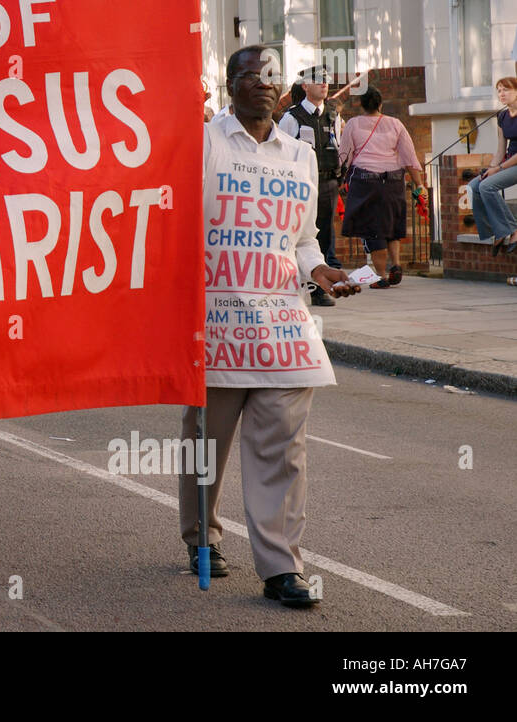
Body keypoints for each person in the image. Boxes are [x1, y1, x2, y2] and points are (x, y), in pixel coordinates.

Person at [181, 44, 358, 607]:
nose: (261, 83)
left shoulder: (300, 156)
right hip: (215, 324)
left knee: (284, 449)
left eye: (270, 76)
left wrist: (323, 270)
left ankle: (282, 568)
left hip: (283, 324)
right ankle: (203, 537)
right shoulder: (202, 143)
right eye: (249, 74)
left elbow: (302, 240)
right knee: (205, 445)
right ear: (230, 83)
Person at [338, 85, 426, 287]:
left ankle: (381, 276)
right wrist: (418, 184)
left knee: (372, 229)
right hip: (394, 181)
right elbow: (409, 157)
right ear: (380, 104)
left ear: (361, 104)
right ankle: (395, 264)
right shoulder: (395, 124)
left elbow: (345, 155)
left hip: (365, 182)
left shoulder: (353, 124)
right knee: (391, 225)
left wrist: (341, 178)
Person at [278, 66, 344, 298]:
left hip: (327, 181)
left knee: (325, 231)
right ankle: (304, 282)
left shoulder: (334, 114)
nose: (324, 84)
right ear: (305, 86)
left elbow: (338, 146)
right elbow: (282, 152)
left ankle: (321, 286)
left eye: (326, 80)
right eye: (317, 81)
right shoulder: (291, 117)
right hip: (301, 182)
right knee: (304, 232)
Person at [467, 78, 517, 255]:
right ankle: (497, 231)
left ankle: (512, 229)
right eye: (499, 90)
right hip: (508, 162)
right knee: (474, 185)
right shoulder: (502, 116)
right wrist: (491, 168)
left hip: (514, 163)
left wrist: (500, 169)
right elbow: (500, 149)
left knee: (487, 187)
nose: (502, 94)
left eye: (506, 90)